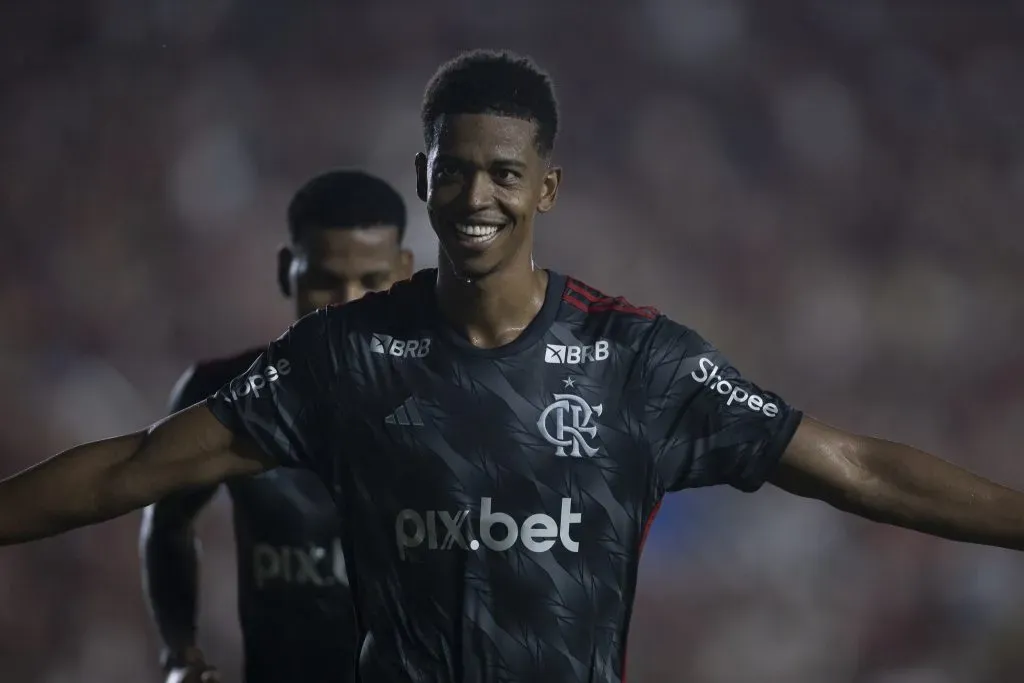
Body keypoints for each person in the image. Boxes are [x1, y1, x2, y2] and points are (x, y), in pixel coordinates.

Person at [2, 49, 1024, 683]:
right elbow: (138, 468)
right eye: (454, 169)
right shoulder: (345, 355)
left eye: (505, 171)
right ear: (423, 180)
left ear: (546, 187)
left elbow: (855, 467)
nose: (476, 194)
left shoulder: (638, 360)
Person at [141, 169, 413, 683]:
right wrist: (181, 650)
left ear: (404, 274)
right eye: (325, 281)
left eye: (372, 282)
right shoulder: (222, 394)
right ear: (288, 270)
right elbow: (167, 518)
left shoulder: (452, 398)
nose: (347, 304)